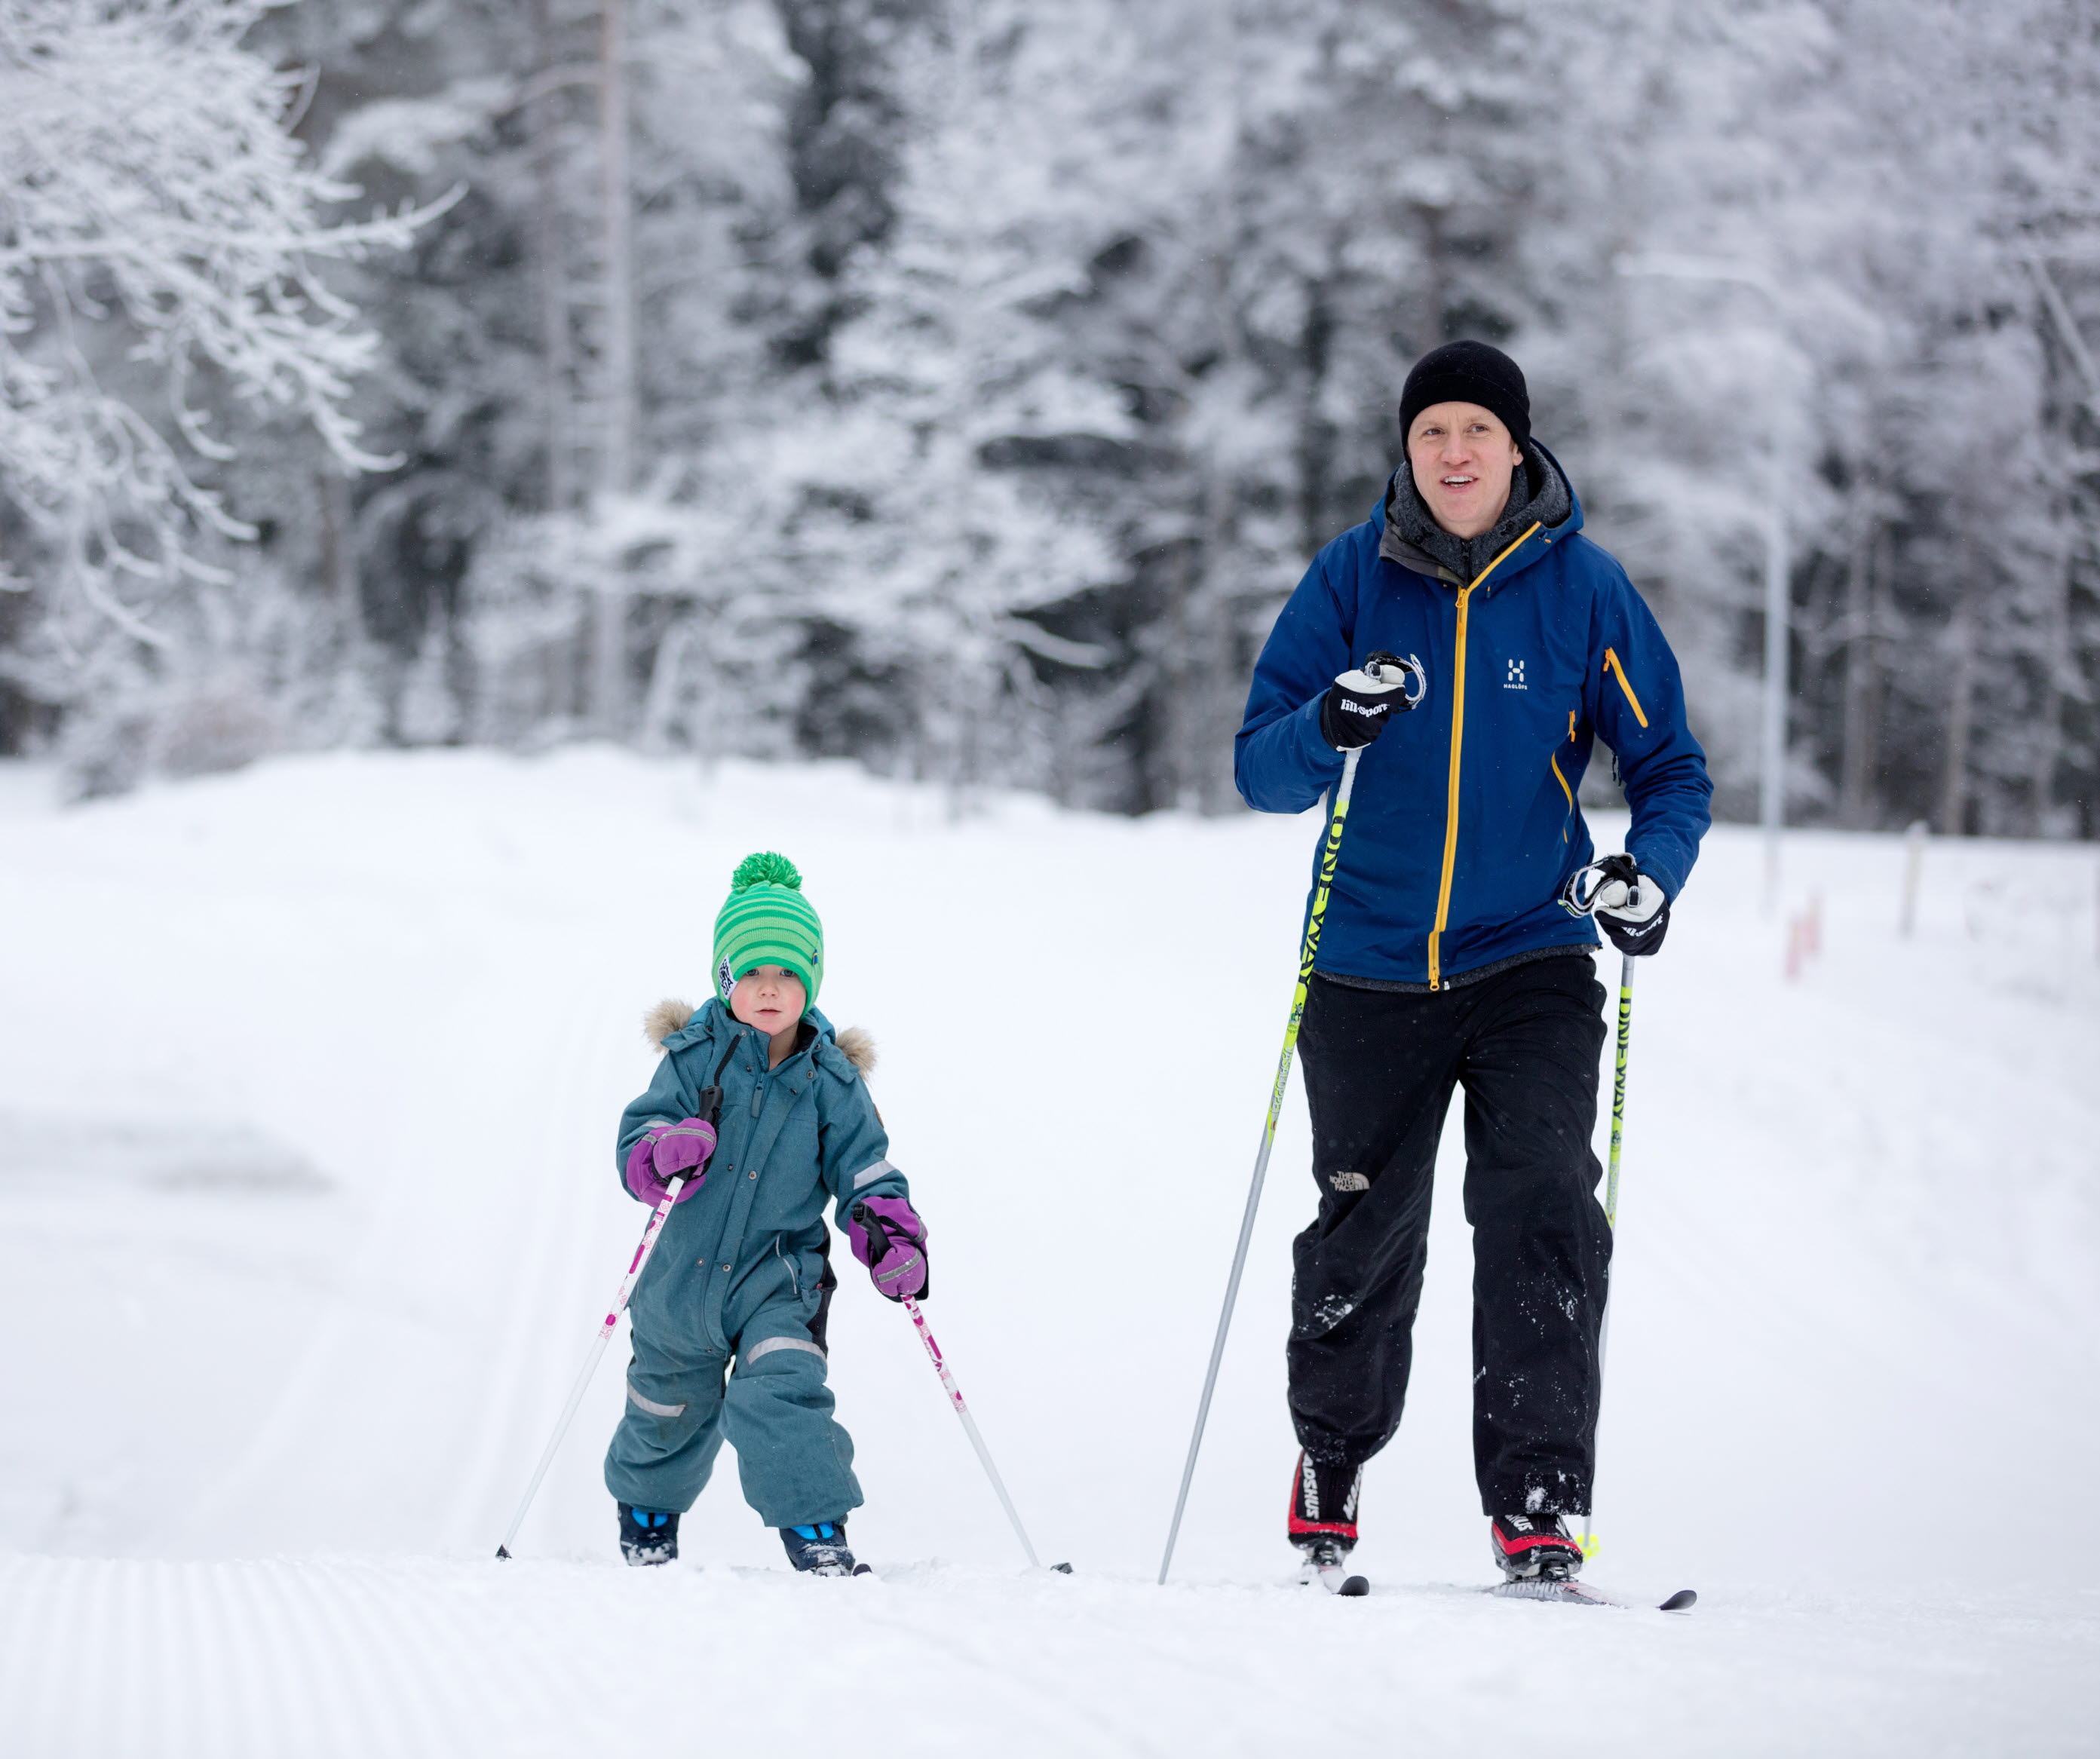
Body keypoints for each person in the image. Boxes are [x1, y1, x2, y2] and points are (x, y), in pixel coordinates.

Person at [1234, 340, 1712, 1585]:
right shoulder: (1352, 577)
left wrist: (1651, 876)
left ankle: (1541, 1493)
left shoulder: (1584, 592)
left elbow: (1669, 768)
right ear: (1408, 448)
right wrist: (1325, 721)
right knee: (1362, 1226)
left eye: (1477, 432)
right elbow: (1260, 765)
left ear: (1518, 446)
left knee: (1543, 1201)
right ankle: (1330, 1456)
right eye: (1433, 431)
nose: (1454, 453)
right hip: (1368, 957)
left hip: (1530, 952)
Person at [602, 851, 927, 1576]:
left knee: (782, 1389)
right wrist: (662, 1151)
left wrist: (886, 1225)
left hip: (777, 1280)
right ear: (725, 978)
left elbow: (866, 1165)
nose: (770, 989)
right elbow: (638, 1139)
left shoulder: (831, 1079)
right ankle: (647, 1513)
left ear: (810, 979)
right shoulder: (690, 1060)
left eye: (786, 973)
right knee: (665, 1407)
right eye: (751, 972)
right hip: (680, 1277)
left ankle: (817, 1528)